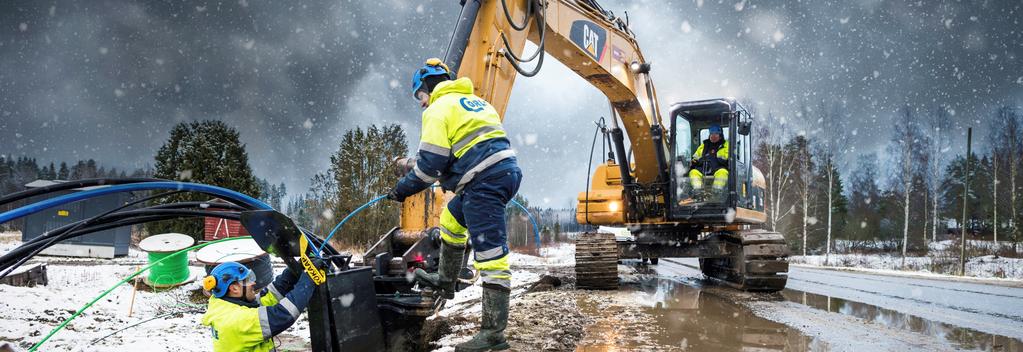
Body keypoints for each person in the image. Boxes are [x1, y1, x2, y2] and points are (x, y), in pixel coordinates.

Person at [387, 58, 521, 352]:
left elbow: (430, 167)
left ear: (427, 87)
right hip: (502, 173)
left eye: (419, 96)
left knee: (491, 257)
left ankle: (493, 334)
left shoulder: (437, 109)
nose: (421, 104)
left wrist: (401, 190)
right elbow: (460, 150)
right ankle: (445, 280)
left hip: (483, 182)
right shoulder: (476, 102)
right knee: (451, 219)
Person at [201, 261, 316, 352]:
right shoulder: (237, 319)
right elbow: (282, 315)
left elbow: (267, 298)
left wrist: (293, 270)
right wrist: (309, 279)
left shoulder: (224, 306)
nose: (253, 283)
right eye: (248, 280)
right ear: (234, 288)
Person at [689, 124, 729, 194]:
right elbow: (696, 156)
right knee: (693, 172)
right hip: (704, 169)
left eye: (716, 134)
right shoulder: (704, 145)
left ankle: (717, 191)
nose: (713, 136)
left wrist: (719, 159)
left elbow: (727, 158)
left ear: (720, 135)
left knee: (722, 172)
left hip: (718, 168)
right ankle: (698, 191)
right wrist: (694, 161)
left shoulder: (725, 145)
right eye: (711, 134)